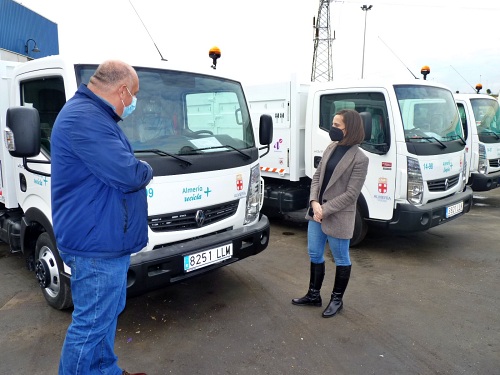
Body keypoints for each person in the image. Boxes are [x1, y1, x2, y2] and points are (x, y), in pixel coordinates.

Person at [51, 60, 153, 375]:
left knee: (104, 316)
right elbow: (129, 173)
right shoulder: (85, 119)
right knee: (92, 322)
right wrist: (146, 167)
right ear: (122, 91)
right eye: (133, 94)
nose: (133, 102)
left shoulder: (93, 116)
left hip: (103, 238)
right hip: (96, 243)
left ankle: (103, 369)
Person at [292, 109, 369, 318]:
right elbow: (317, 177)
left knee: (341, 258)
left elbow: (352, 194)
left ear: (349, 129)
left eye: (337, 126)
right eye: (333, 124)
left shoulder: (360, 159)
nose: (332, 129)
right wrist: (314, 202)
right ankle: (313, 295)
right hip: (316, 212)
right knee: (315, 253)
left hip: (338, 215)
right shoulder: (331, 147)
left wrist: (324, 210)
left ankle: (337, 300)